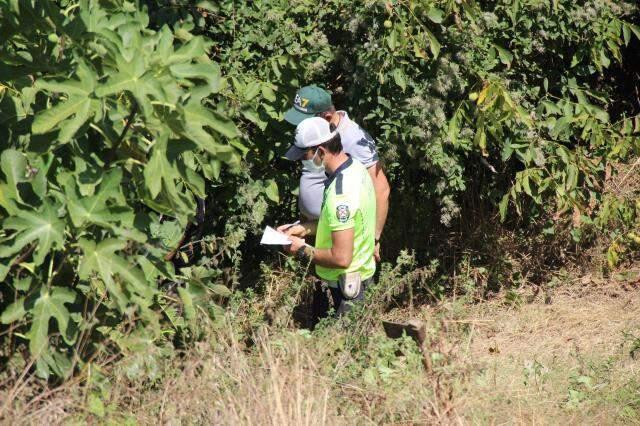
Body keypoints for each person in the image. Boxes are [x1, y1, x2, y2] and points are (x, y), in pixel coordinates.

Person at [278, 117, 376, 316]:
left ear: (321, 151)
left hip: (347, 290)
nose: (302, 163)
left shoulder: (341, 194)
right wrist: (304, 229)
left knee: (340, 346)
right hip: (358, 279)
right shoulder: (355, 167)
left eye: (305, 156)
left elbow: (341, 257)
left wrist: (300, 249)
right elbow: (345, 224)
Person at [283, 85, 389, 262]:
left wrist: (374, 238)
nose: (301, 126)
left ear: (327, 117)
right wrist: (303, 227)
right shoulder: (314, 137)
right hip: (318, 227)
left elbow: (381, 189)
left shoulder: (354, 139)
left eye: (306, 120)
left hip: (341, 234)